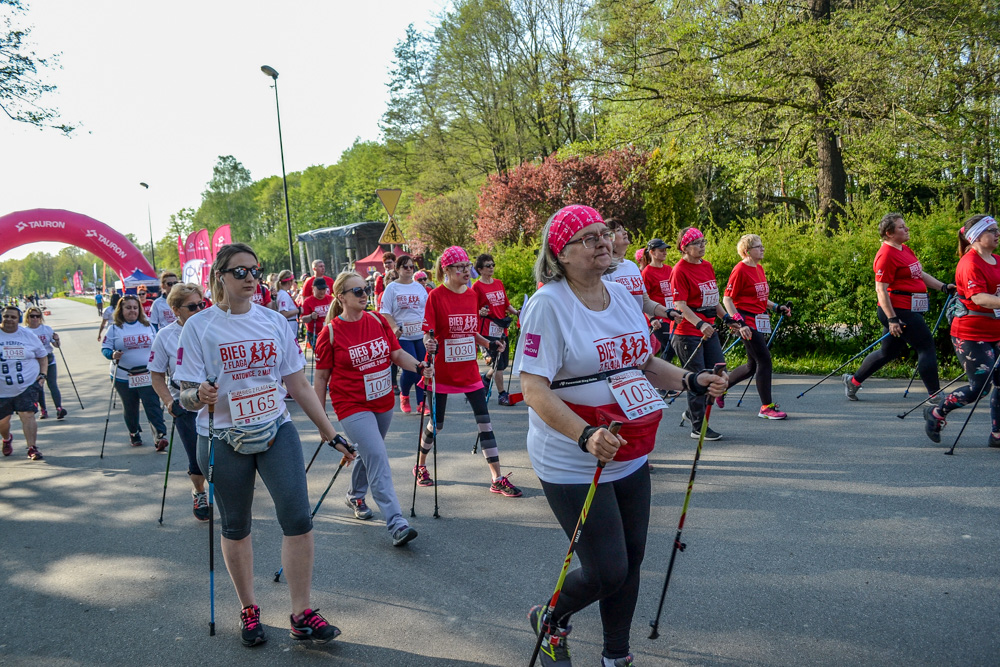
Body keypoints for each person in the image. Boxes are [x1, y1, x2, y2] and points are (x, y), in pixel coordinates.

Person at [517, 205, 727, 667]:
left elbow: (646, 363)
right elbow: (533, 389)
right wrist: (585, 434)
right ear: (561, 253)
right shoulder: (548, 304)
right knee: (606, 568)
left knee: (631, 562)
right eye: (588, 238)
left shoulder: (623, 295)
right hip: (573, 457)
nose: (602, 243)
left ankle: (617, 654)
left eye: (603, 234)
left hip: (629, 447)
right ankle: (549, 617)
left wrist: (692, 380)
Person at [174, 242, 356, 648]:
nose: (250, 278)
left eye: (254, 270)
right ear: (220, 276)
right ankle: (249, 609)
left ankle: (301, 613)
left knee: (298, 519)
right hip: (223, 439)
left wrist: (331, 433)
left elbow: (298, 383)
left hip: (276, 430)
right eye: (240, 271)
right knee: (237, 527)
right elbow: (183, 394)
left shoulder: (273, 321)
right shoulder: (199, 326)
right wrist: (198, 395)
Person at [313, 271, 426, 546]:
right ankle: (396, 522)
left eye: (365, 289)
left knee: (368, 451)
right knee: (377, 454)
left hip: (383, 401)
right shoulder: (330, 333)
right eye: (357, 291)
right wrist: (321, 422)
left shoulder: (377, 320)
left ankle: (355, 494)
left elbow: (396, 354)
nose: (364, 294)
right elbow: (320, 378)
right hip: (351, 405)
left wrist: (420, 367)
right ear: (341, 298)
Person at [416, 246, 521, 497]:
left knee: (484, 423)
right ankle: (420, 466)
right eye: (460, 268)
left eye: (467, 267)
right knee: (437, 424)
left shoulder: (472, 294)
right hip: (442, 370)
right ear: (447, 270)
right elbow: (427, 333)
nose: (466, 271)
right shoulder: (436, 296)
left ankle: (496, 477)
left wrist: (488, 343)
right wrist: (428, 342)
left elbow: (470, 330)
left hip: (468, 370)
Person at [843, 213, 955, 400]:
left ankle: (853, 381)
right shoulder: (886, 255)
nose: (907, 229)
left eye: (905, 225)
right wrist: (892, 319)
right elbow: (881, 290)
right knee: (925, 346)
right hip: (898, 310)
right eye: (902, 227)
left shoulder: (904, 249)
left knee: (888, 352)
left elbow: (919, 273)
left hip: (910, 307)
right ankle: (935, 395)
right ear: (889, 233)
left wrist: (942, 286)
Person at [924, 215, 1000, 444]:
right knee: (980, 387)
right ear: (976, 236)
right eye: (992, 231)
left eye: (997, 230)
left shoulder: (997, 260)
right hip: (970, 334)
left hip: (996, 331)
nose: (997, 234)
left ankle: (997, 434)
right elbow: (979, 298)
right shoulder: (969, 263)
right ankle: (937, 413)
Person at [149, 283, 211, 521]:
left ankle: (227, 494)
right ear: (175, 309)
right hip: (186, 402)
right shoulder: (165, 336)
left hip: (217, 400)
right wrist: (168, 402)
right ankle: (198, 491)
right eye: (192, 306)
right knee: (197, 456)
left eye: (201, 305)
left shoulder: (212, 327)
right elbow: (156, 375)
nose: (198, 310)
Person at [722, 234, 792, 420]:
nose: (762, 249)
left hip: (759, 319)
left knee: (752, 366)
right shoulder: (740, 270)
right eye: (758, 246)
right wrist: (739, 323)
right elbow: (727, 299)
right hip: (746, 322)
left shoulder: (758, 268)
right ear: (747, 251)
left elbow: (759, 297)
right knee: (765, 360)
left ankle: (719, 388)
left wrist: (777, 307)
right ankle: (766, 407)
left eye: (762, 245)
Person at [671, 226, 728, 440]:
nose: (702, 247)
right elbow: (680, 305)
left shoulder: (707, 266)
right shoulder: (680, 269)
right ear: (684, 248)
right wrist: (699, 324)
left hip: (709, 329)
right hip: (688, 332)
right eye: (697, 243)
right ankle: (698, 426)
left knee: (719, 372)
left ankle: (691, 413)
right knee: (699, 378)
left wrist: (728, 318)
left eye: (703, 242)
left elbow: (713, 299)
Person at [605, 221, 683, 360]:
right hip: (618, 341)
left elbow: (644, 301)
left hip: (638, 335)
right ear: (608, 238)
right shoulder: (604, 270)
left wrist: (668, 312)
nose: (625, 232)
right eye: (618, 230)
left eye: (623, 229)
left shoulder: (632, 267)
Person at [101, 294, 168, 449]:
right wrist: (112, 355)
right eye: (128, 308)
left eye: (135, 308)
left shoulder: (148, 326)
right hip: (124, 376)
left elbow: (158, 345)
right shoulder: (114, 328)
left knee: (152, 404)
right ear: (121, 310)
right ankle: (134, 432)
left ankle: (160, 435)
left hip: (147, 374)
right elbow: (105, 348)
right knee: (130, 407)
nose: (132, 311)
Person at [379, 256, 430, 414]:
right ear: (398, 269)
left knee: (423, 368)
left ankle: (422, 403)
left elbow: (428, 309)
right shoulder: (392, 288)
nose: (408, 269)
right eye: (405, 267)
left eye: (411, 267)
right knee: (411, 369)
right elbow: (385, 312)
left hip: (420, 334)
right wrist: (394, 328)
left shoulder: (419, 287)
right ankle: (405, 394)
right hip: (403, 336)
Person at [0, 305, 49, 460]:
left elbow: (42, 356)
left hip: (26, 384)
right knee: (3, 422)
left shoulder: (27, 335)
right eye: (6, 316)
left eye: (13, 317)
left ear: (19, 319)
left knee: (27, 415)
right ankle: (7, 438)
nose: (9, 320)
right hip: (2, 388)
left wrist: (42, 375)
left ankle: (32, 447)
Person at [473, 253, 521, 406]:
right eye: (488, 266)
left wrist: (516, 312)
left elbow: (506, 304)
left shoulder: (498, 283)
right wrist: (479, 312)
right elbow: (472, 308)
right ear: (480, 269)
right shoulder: (477, 287)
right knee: (498, 364)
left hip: (501, 328)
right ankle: (502, 394)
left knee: (503, 363)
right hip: (487, 329)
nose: (491, 268)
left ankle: (486, 378)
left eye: (493, 265)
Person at [23, 305, 67, 420]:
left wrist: (57, 339)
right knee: (39, 386)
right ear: (27, 317)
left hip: (49, 359)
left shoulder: (46, 329)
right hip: (34, 362)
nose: (35, 318)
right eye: (32, 316)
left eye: (37, 316)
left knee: (52, 384)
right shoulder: (25, 331)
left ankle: (59, 408)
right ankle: (43, 410)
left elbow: (56, 346)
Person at [638, 237, 678, 358]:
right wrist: (651, 319)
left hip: (672, 314)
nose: (665, 253)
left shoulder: (669, 269)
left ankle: (664, 372)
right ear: (652, 252)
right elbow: (644, 299)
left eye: (665, 250)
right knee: (669, 347)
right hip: (659, 318)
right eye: (661, 250)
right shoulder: (647, 272)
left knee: (672, 348)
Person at [300, 277, 333, 351]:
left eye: (324, 289)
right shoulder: (308, 301)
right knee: (320, 353)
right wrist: (311, 316)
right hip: (315, 333)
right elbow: (303, 319)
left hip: (330, 331)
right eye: (319, 289)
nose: (322, 292)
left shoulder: (331, 299)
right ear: (313, 288)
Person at [275, 270, 300, 341]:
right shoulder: (283, 295)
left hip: (290, 323)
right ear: (289, 282)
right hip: (289, 323)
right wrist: (298, 311)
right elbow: (284, 313)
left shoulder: (283, 293)